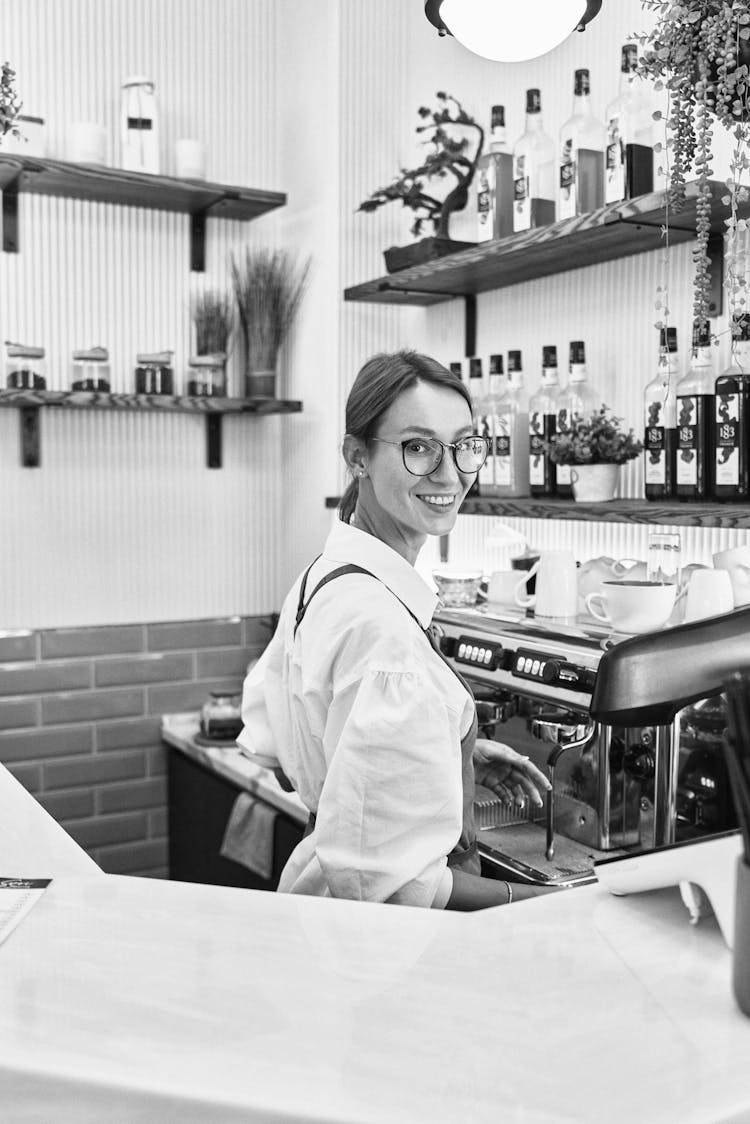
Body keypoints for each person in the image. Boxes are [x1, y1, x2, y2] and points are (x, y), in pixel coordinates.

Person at [238, 350, 555, 910]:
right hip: (388, 948)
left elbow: (270, 739)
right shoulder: (385, 631)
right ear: (356, 456)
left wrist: (432, 757)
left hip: (318, 909)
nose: (449, 473)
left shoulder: (327, 575)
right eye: (418, 447)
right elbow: (400, 891)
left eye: (464, 446)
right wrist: (546, 904)